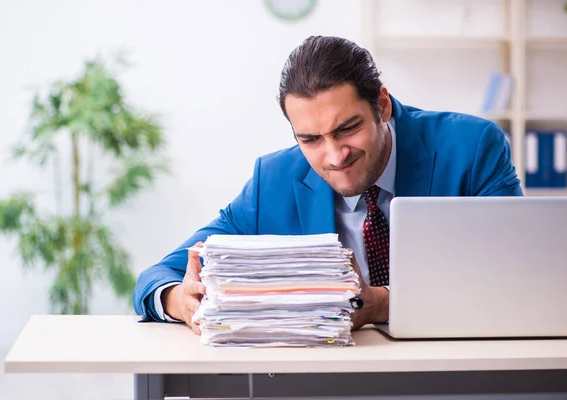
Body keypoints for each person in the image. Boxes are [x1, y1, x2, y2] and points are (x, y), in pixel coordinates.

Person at [132, 35, 523, 334]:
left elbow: (516, 275)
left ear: (382, 105)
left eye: (348, 128)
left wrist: (383, 303)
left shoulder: (471, 149)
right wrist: (178, 300)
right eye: (311, 139)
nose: (335, 156)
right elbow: (157, 275)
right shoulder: (275, 180)